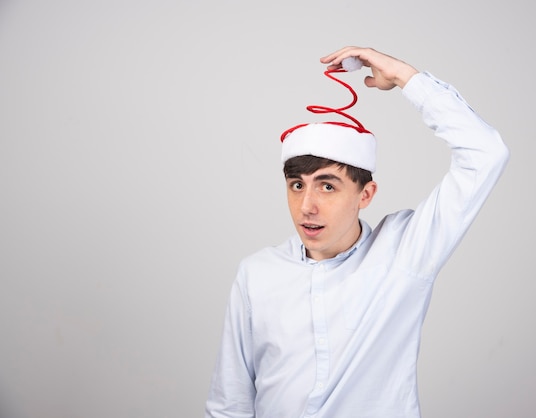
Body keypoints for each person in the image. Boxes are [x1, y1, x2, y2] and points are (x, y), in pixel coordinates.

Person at [205, 46, 509, 418]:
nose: (307, 207)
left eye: (327, 186)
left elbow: (485, 152)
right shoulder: (257, 273)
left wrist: (404, 77)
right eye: (297, 185)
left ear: (365, 194)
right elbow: (229, 403)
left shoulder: (404, 253)